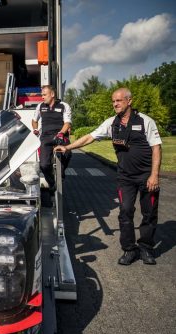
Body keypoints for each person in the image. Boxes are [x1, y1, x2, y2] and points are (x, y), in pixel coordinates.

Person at [55, 88, 162, 265]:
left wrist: (154, 175)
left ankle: (146, 248)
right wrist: (67, 147)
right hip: (125, 177)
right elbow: (90, 137)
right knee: (125, 211)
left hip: (147, 176)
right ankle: (129, 249)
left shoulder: (145, 121)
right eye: (113, 101)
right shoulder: (112, 123)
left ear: (129, 101)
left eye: (119, 100)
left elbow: (156, 147)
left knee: (149, 214)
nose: (115, 104)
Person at [31, 85, 72, 207]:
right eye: (42, 95)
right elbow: (34, 120)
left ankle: (61, 174)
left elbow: (67, 123)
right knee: (44, 165)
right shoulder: (40, 106)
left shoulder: (64, 106)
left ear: (52, 94)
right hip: (46, 137)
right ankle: (53, 183)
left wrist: (61, 133)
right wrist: (35, 129)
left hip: (60, 135)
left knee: (68, 154)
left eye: (44, 95)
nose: (42, 97)